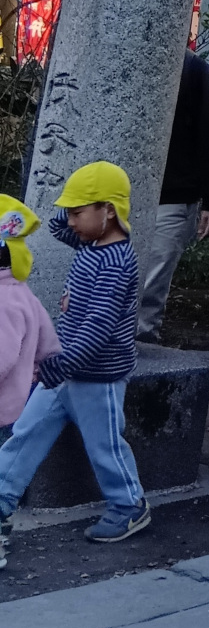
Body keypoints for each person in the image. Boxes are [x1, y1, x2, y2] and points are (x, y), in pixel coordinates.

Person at [0, 163, 149, 548]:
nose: (70, 220)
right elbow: (55, 226)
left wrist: (63, 364)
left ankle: (129, 503)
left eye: (78, 212)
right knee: (26, 431)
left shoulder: (116, 261)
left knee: (105, 444)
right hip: (62, 368)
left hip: (96, 374)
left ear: (109, 211)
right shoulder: (90, 242)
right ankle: (2, 495)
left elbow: (99, 326)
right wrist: (71, 205)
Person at [138, 50, 209, 342]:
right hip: (116, 192)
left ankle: (143, 343)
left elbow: (207, 133)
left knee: (151, 282)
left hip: (173, 194)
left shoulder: (191, 68)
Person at [0, 196, 58, 569]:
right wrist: (37, 369)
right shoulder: (23, 294)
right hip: (18, 404)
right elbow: (50, 343)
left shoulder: (3, 301)